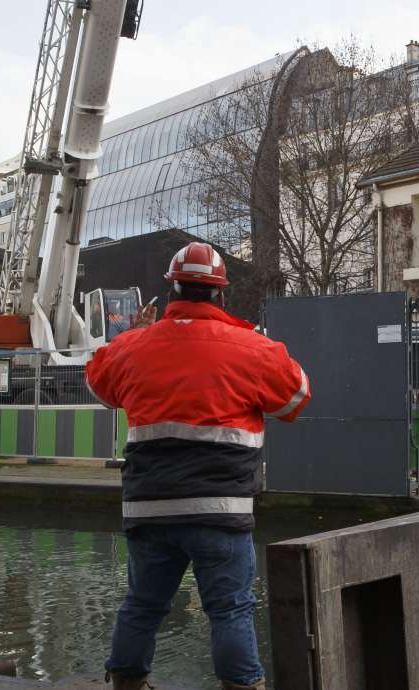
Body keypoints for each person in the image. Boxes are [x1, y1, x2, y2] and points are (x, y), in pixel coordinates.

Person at [86, 241, 311, 690]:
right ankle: (242, 685)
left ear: (173, 291)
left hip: (148, 508)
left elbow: (101, 384)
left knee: (143, 605)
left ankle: (127, 682)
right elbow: (295, 398)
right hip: (221, 510)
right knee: (230, 609)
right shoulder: (253, 348)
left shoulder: (132, 347)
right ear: (220, 294)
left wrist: (132, 335)